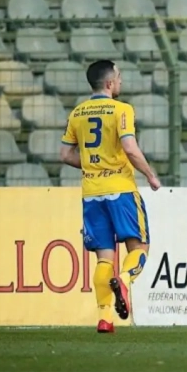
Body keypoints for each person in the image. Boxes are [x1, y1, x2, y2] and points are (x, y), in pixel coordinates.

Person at [60, 60, 161, 334]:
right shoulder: (122, 110)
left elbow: (66, 155)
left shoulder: (77, 113)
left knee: (104, 258)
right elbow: (129, 147)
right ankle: (125, 280)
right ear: (109, 83)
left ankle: (105, 318)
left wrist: (95, 165)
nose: (121, 81)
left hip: (92, 193)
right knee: (139, 248)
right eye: (119, 77)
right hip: (121, 191)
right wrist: (150, 175)